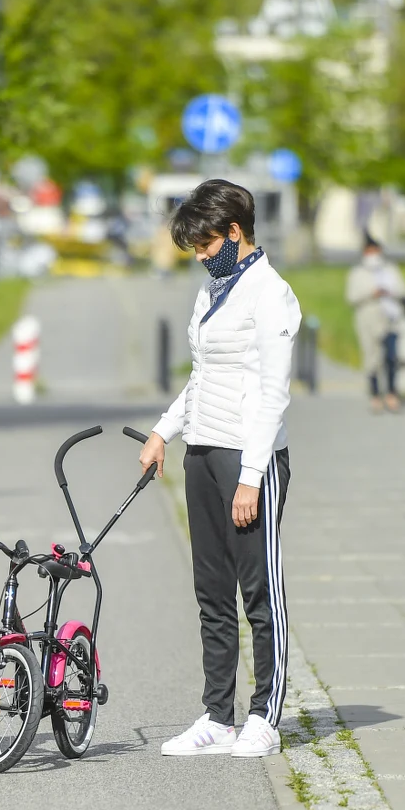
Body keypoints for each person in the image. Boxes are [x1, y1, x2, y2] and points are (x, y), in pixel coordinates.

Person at [138, 179, 301, 759]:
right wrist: (163, 430)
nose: (202, 257)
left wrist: (252, 477)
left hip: (248, 456)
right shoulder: (214, 290)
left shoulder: (271, 295)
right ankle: (218, 715)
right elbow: (203, 374)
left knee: (260, 592)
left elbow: (273, 392)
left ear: (235, 232)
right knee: (212, 592)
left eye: (206, 246)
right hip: (203, 452)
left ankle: (264, 716)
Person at [345, 233, 405, 412]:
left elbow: (403, 290)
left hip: (391, 319)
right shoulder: (358, 273)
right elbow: (351, 297)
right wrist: (371, 292)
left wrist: (389, 291)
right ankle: (375, 394)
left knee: (391, 357)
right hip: (368, 321)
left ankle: (391, 393)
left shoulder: (390, 270)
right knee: (372, 358)